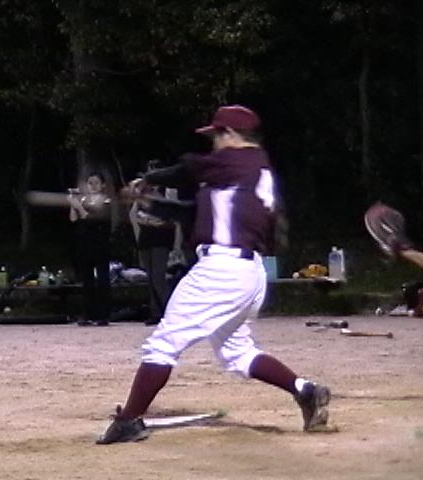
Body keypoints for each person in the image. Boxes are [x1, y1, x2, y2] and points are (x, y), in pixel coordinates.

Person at [96, 105, 332, 444]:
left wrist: (147, 179)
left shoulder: (241, 160)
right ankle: (305, 390)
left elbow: (188, 168)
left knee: (162, 344)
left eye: (217, 136)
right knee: (237, 352)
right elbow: (195, 214)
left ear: (232, 135)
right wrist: (148, 202)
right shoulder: (245, 173)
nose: (214, 143)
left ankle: (129, 420)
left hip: (221, 271)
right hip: (245, 272)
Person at [129, 160, 183, 326]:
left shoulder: (168, 191)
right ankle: (156, 312)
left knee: (159, 276)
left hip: (162, 236)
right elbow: (133, 214)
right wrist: (138, 232)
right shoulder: (143, 191)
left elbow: (176, 218)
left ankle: (170, 311)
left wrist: (177, 243)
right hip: (146, 236)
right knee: (150, 276)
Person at [68, 172, 113, 327]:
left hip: (100, 244)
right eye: (90, 183)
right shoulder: (83, 200)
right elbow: (73, 219)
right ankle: (88, 314)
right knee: (87, 280)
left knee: (102, 279)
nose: (93, 186)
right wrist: (73, 205)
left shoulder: (105, 201)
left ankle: (103, 315)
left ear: (103, 185)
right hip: (85, 244)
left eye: (96, 183)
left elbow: (90, 217)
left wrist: (79, 207)